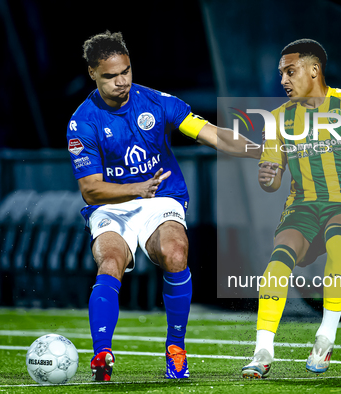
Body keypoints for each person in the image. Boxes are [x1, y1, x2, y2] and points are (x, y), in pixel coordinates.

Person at [67, 31, 259, 381]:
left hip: (160, 197)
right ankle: (102, 355)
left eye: (125, 71)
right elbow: (91, 191)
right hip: (113, 204)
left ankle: (176, 348)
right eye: (110, 76)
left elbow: (211, 133)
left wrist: (258, 150)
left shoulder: (156, 102)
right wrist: (134, 188)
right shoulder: (82, 122)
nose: (121, 81)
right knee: (109, 261)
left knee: (175, 252)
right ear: (92, 73)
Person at [241, 39, 341, 378]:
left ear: (314, 70)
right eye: (281, 73)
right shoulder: (277, 119)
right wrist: (267, 177)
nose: (283, 80)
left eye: (290, 71)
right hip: (302, 206)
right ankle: (263, 349)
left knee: (338, 235)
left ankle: (325, 337)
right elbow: (271, 180)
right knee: (280, 255)